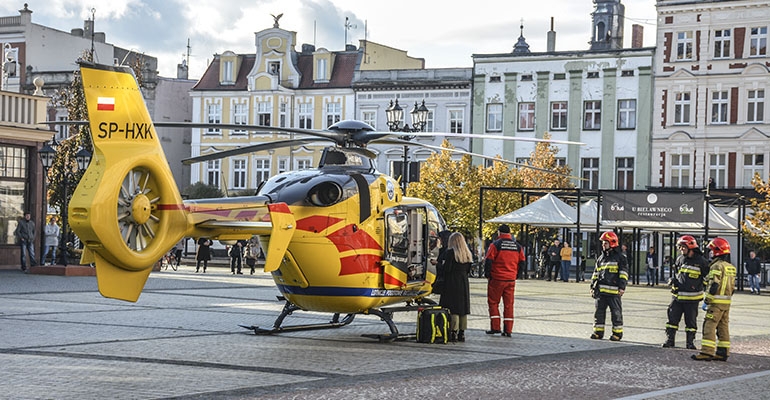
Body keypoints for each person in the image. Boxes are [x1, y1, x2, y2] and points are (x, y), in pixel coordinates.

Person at [692, 237, 736, 361]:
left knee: (709, 326)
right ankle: (723, 352)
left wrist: (707, 300)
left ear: (718, 251)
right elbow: (732, 288)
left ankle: (707, 352)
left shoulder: (716, 266)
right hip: (726, 303)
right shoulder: (731, 267)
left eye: (712, 250)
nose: (710, 253)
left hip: (715, 303)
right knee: (723, 327)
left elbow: (714, 284)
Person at [662, 235, 709, 349]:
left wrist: (699, 287)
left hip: (692, 299)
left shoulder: (702, 262)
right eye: (680, 247)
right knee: (672, 320)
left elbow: (707, 279)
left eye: (683, 247)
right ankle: (670, 340)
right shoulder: (680, 259)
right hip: (677, 297)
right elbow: (678, 275)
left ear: (691, 247)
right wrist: (673, 281)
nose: (681, 249)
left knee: (691, 323)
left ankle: (690, 343)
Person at [484, 224, 525, 337]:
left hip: (497, 278)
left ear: (499, 233)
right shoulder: (517, 246)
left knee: (493, 303)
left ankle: (495, 327)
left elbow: (489, 260)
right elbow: (522, 262)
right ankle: (508, 330)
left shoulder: (496, 244)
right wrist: (517, 275)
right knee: (509, 304)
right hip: (511, 279)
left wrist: (488, 274)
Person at [590, 231, 628, 341]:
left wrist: (622, 287)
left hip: (614, 292)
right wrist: (593, 286)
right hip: (601, 291)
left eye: (605, 243)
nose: (603, 245)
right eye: (602, 243)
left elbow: (623, 273)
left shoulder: (620, 257)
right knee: (599, 313)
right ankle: (598, 332)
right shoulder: (601, 258)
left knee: (616, 313)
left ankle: (617, 334)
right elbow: (596, 273)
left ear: (612, 243)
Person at [439, 232, 472, 342]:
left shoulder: (450, 253)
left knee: (453, 308)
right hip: (463, 282)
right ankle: (462, 333)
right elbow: (468, 270)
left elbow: (447, 269)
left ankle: (453, 331)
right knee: (463, 308)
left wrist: (438, 264)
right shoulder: (467, 254)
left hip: (452, 282)